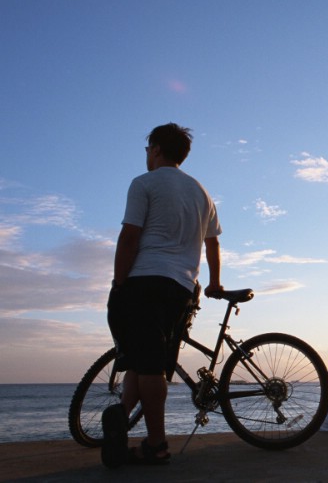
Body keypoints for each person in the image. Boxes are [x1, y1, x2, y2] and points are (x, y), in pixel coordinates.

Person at [101, 123, 223, 467]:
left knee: (151, 365)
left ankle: (157, 445)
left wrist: (119, 281)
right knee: (146, 357)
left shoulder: (144, 183)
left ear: (155, 150)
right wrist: (214, 282)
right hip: (183, 288)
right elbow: (212, 242)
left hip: (145, 282)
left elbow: (129, 236)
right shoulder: (201, 192)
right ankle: (122, 422)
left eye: (147, 150)